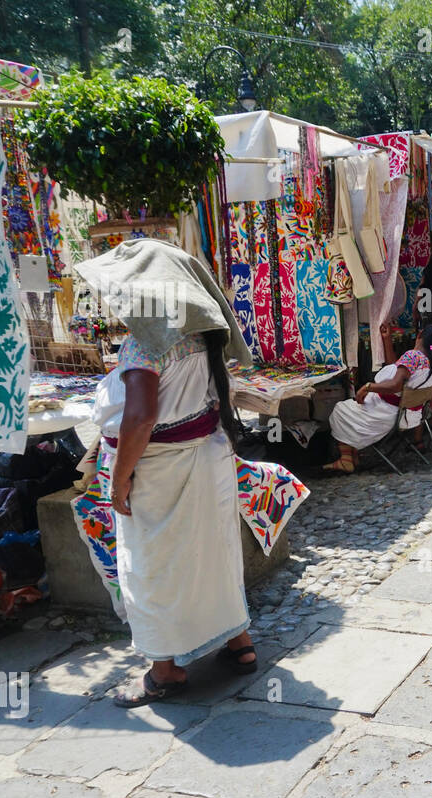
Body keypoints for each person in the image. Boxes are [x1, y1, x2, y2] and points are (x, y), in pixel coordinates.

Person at [74, 239, 259, 707]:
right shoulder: (204, 334)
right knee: (214, 555)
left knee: (154, 567)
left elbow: (139, 418)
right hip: (206, 459)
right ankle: (239, 644)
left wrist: (118, 479)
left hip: (161, 472)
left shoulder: (144, 347)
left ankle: (164, 670)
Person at [323, 322, 432, 474]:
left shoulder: (413, 357)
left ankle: (346, 459)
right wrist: (387, 340)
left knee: (341, 410)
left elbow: (395, 385)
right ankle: (353, 457)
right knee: (350, 410)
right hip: (408, 415)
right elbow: (395, 370)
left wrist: (367, 387)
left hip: (386, 414)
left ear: (419, 336)